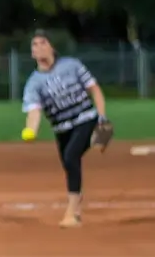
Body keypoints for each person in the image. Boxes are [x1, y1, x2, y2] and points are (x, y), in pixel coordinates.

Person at [21, 30, 109, 228]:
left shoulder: (71, 66)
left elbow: (94, 89)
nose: (38, 47)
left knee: (70, 157)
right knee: (70, 165)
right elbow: (34, 111)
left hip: (85, 119)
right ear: (32, 53)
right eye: (34, 45)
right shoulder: (33, 83)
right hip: (62, 129)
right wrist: (31, 129)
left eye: (42, 42)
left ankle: (72, 214)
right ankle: (76, 206)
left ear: (51, 46)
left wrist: (102, 117)